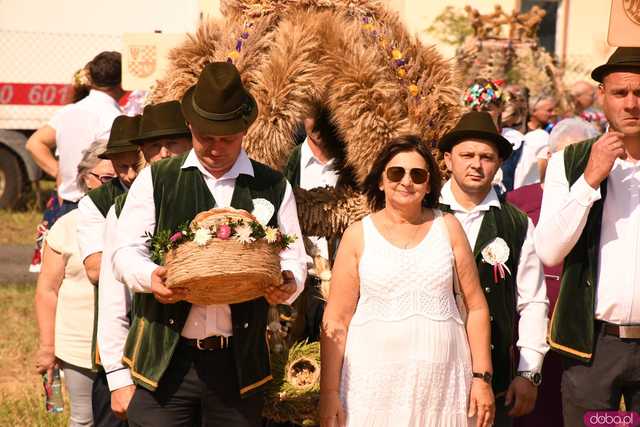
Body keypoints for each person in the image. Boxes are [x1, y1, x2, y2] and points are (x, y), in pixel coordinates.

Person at [111, 62, 307, 426]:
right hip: (166, 363)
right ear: (190, 127)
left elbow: (295, 258)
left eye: (227, 139)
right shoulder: (157, 179)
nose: (216, 148)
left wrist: (289, 283)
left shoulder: (273, 186)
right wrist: (151, 277)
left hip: (237, 367)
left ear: (244, 131)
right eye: (206, 138)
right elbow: (124, 253)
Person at [320, 135, 495, 427]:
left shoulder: (448, 227)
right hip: (371, 392)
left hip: (443, 390)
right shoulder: (357, 235)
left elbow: (476, 307)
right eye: (396, 172)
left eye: (417, 174)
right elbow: (336, 320)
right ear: (380, 180)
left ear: (428, 184)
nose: (406, 181)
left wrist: (482, 378)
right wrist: (328, 392)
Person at [534, 46, 640, 425]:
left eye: (639, 93)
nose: (631, 103)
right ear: (602, 96)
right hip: (594, 347)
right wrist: (590, 178)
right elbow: (548, 250)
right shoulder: (571, 160)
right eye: (620, 93)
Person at [438, 112, 549, 427]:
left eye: (486, 156)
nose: (476, 164)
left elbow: (533, 301)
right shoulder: (423, 214)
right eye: (467, 155)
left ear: (499, 162)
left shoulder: (516, 222)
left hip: (494, 383)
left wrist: (529, 372)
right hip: (429, 372)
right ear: (448, 159)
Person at [96, 100, 192, 421]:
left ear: (193, 142)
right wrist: (117, 377)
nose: (164, 152)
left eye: (173, 142)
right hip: (150, 362)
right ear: (144, 153)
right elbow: (112, 299)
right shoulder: (121, 209)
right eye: (154, 145)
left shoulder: (210, 196)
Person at [35, 139, 115, 427]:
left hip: (126, 344)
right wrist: (47, 347)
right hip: (78, 346)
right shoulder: (67, 225)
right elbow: (47, 290)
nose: (114, 184)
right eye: (106, 178)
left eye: (120, 176)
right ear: (87, 179)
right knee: (84, 419)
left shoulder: (137, 221)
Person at [26, 51, 124, 272]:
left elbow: (35, 143)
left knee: (53, 280)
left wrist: (60, 173)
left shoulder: (68, 112)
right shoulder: (115, 118)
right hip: (96, 206)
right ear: (122, 81)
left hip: (63, 204)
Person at [75, 115, 143, 427]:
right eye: (121, 166)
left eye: (135, 165)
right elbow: (93, 269)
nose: (128, 175)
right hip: (119, 340)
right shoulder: (97, 204)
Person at [283, 100, 341, 343]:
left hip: (342, 288)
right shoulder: (283, 161)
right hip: (294, 286)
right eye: (311, 112)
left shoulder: (357, 167)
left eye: (325, 112)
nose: (317, 122)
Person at [519, 95, 556, 188]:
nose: (553, 113)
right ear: (534, 111)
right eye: (549, 110)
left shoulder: (553, 130)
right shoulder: (519, 131)